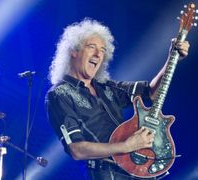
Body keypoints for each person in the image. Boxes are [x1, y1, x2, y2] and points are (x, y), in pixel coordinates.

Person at [45, 18, 189, 180]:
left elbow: (150, 93)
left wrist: (172, 59)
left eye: (102, 50)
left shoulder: (107, 87)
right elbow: (76, 150)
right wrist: (127, 146)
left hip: (138, 169)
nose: (98, 54)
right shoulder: (59, 94)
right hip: (106, 173)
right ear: (74, 51)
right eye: (91, 47)